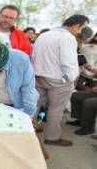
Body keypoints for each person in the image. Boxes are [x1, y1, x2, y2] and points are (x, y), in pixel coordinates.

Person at [32, 14, 90, 146]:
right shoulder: (67, 38)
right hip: (58, 79)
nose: (80, 32)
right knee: (56, 109)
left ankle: (32, 128)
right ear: (76, 26)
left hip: (39, 75)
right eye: (82, 28)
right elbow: (68, 62)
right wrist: (70, 78)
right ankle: (52, 137)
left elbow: (34, 55)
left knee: (36, 104)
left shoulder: (44, 35)